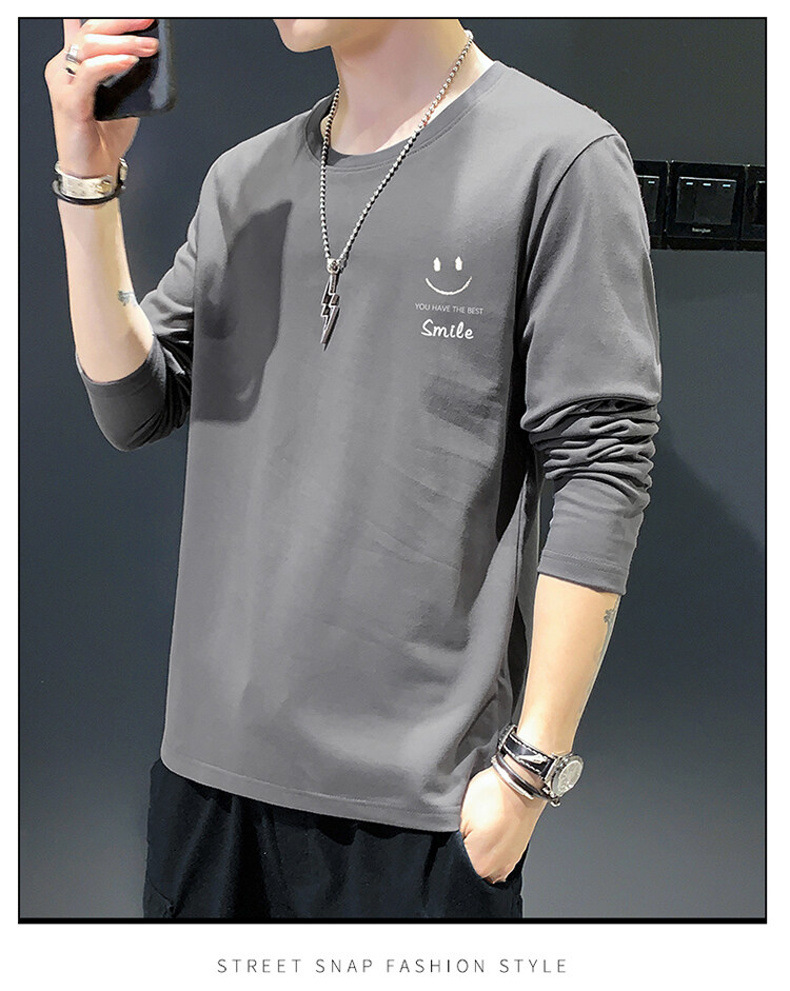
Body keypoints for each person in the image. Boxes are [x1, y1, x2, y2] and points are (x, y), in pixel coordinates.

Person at [44, 17, 662, 920]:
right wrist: (88, 182)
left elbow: (602, 462)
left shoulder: (560, 157)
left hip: (420, 805)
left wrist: (529, 771)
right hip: (209, 782)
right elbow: (134, 404)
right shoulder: (244, 178)